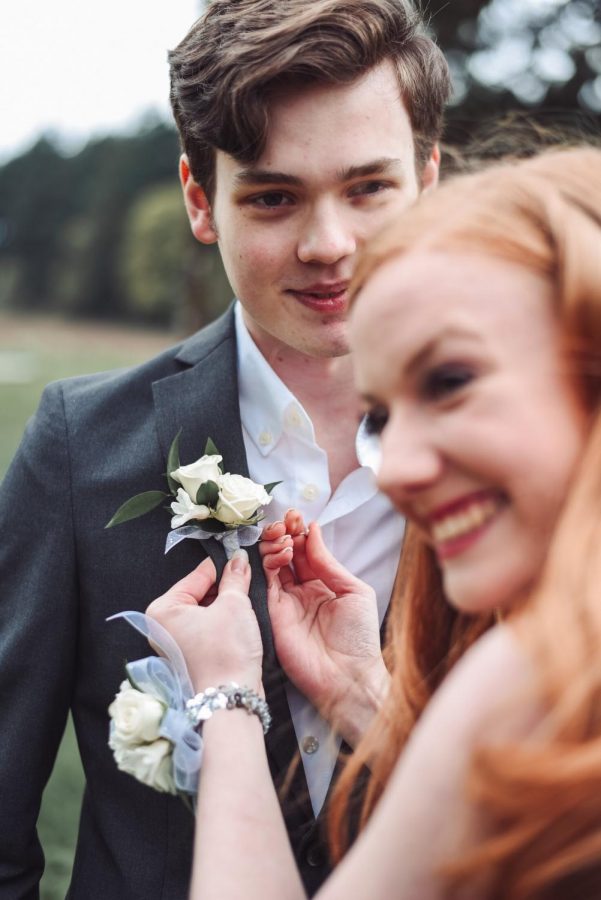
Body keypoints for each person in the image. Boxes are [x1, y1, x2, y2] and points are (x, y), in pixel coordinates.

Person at [0, 1, 450, 896]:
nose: (329, 246)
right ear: (201, 201)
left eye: (367, 188)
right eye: (274, 197)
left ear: (429, 181)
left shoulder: (532, 450)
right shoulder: (79, 447)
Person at [145, 145, 601, 899]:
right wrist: (364, 695)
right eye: (382, 416)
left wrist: (224, 699)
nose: (401, 466)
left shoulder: (531, 677)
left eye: (450, 381)